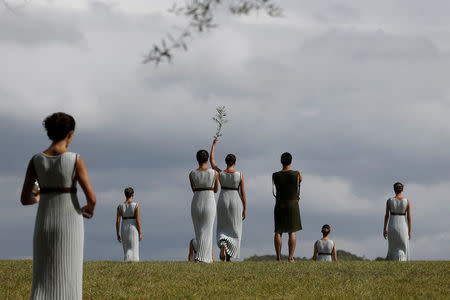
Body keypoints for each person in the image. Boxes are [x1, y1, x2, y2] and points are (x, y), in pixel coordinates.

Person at [20, 112, 96, 300]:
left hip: (44, 220)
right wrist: (89, 209)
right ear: (70, 134)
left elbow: (25, 198)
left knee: (43, 275)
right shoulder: (75, 160)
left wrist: (38, 198)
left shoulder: (36, 160)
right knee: (69, 274)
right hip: (70, 222)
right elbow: (92, 198)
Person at [210, 138, 247, 261]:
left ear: (226, 162)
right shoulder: (239, 175)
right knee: (235, 228)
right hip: (235, 200)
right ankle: (229, 257)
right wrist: (245, 208)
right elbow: (243, 193)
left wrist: (213, 145)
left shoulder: (220, 173)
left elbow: (212, 162)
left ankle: (223, 244)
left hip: (223, 199)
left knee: (222, 226)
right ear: (235, 162)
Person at [189, 149, 219, 263]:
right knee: (207, 230)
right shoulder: (214, 173)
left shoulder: (192, 174)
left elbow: (193, 189)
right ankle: (201, 258)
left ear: (197, 159)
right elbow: (216, 189)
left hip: (196, 201)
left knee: (198, 231)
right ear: (207, 159)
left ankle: (204, 257)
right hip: (209, 201)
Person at [272, 152, 302, 262]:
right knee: (292, 231)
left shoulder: (275, 175)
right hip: (293, 205)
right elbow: (300, 181)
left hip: (280, 204)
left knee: (278, 231)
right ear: (291, 161)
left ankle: (278, 257)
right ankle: (290, 257)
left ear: (281, 161)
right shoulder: (297, 174)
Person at [383, 182, 411, 261]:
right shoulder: (407, 201)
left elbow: (386, 216)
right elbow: (409, 217)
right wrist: (409, 231)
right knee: (403, 246)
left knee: (393, 246)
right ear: (402, 190)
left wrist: (384, 229)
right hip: (403, 226)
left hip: (392, 224)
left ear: (394, 190)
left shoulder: (389, 201)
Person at [116, 187, 142, 262]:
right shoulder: (136, 205)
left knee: (126, 248)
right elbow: (137, 220)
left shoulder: (120, 206)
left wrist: (117, 233)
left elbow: (117, 221)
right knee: (134, 247)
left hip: (124, 226)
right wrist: (140, 232)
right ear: (132, 195)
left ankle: (126, 262)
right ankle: (135, 263)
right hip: (133, 227)